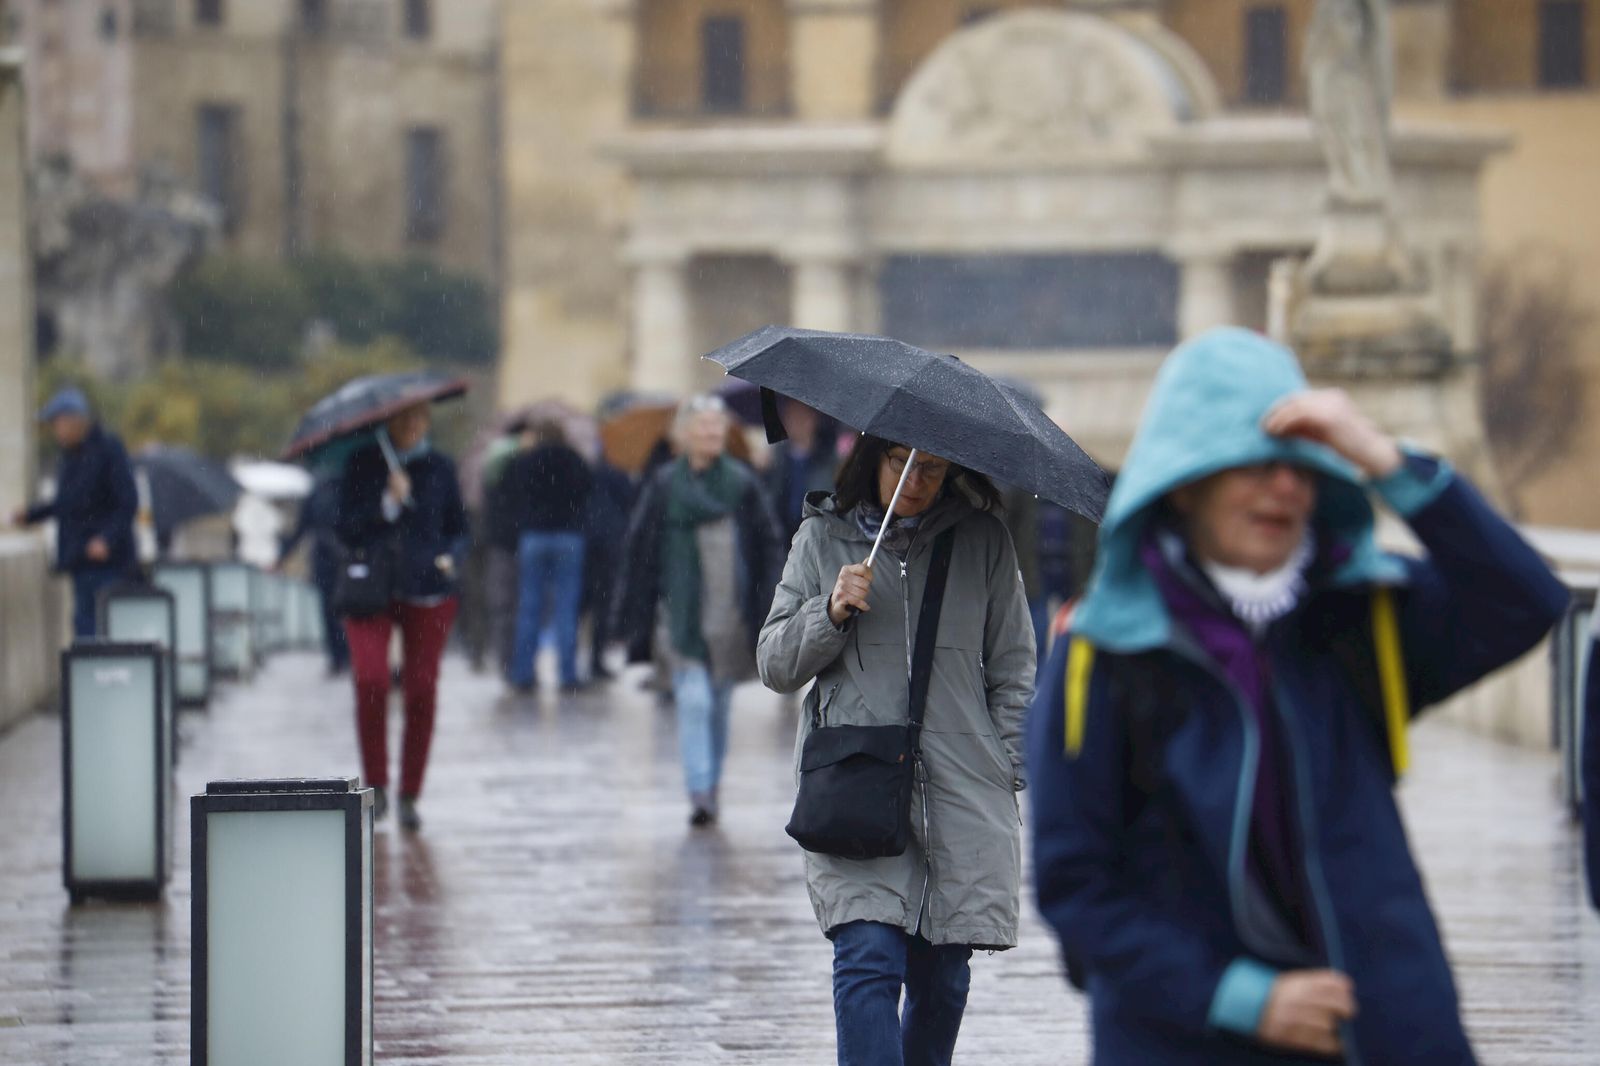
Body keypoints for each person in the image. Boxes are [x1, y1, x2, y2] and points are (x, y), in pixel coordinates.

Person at [1027, 328, 1568, 1064]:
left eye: (1299, 466)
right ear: (1184, 482)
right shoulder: (1103, 654)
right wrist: (1245, 1001)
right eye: (1252, 464)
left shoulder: (1358, 620)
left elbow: (1526, 600)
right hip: (1188, 1038)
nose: (1282, 486)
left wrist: (1381, 456)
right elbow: (1076, 887)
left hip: (1382, 1030)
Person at [757, 433, 1036, 1066]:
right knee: (867, 959)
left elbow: (1014, 668)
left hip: (961, 787)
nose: (917, 481)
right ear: (873, 459)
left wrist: (1005, 763)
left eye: (934, 470)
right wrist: (827, 612)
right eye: (903, 464)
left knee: (943, 978)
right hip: (856, 781)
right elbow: (773, 665)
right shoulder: (821, 541)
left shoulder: (984, 542)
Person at [613, 394, 784, 826]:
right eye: (703, 427)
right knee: (693, 700)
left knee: (720, 703)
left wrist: (772, 597)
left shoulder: (742, 484)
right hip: (679, 612)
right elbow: (639, 548)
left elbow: (768, 541)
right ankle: (700, 790)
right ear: (683, 435)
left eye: (717, 427)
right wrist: (629, 609)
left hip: (730, 612)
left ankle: (712, 782)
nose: (711, 434)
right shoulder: (664, 484)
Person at [336, 402, 468, 831]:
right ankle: (377, 785)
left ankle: (410, 793)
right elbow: (344, 526)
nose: (412, 427)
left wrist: (449, 558)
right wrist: (386, 504)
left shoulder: (440, 467)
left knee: (421, 690)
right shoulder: (362, 464)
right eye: (403, 419)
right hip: (371, 586)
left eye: (420, 419)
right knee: (371, 680)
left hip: (427, 587)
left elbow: (458, 527)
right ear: (388, 422)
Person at [10, 387, 138, 638]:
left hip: (108, 564)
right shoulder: (70, 457)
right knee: (84, 628)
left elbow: (128, 502)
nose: (56, 431)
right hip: (80, 561)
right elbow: (65, 503)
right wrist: (30, 515)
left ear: (73, 420)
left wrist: (106, 539)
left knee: (108, 630)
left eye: (57, 423)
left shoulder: (108, 449)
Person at [503, 419, 594, 693]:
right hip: (569, 536)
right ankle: (567, 673)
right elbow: (588, 493)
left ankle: (523, 673)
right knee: (567, 607)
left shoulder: (525, 461)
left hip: (534, 536)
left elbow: (512, 496)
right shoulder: (576, 460)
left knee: (529, 607)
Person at [276, 474, 348, 675]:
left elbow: (300, 529)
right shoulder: (347, 486)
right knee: (342, 609)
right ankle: (342, 655)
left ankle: (338, 656)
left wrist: (281, 556)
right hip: (342, 559)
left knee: (330, 610)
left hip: (327, 559)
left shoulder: (316, 492)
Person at [582, 456, 635, 681]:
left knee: (585, 602)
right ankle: (595, 659)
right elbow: (629, 502)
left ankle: (580, 659)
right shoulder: (619, 472)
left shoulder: (590, 469)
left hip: (588, 540)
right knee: (603, 603)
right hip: (612, 541)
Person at [765, 399, 839, 543]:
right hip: (781, 535)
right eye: (790, 417)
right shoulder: (775, 458)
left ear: (814, 420)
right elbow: (769, 498)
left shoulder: (828, 459)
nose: (796, 423)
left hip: (815, 536)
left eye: (802, 417)